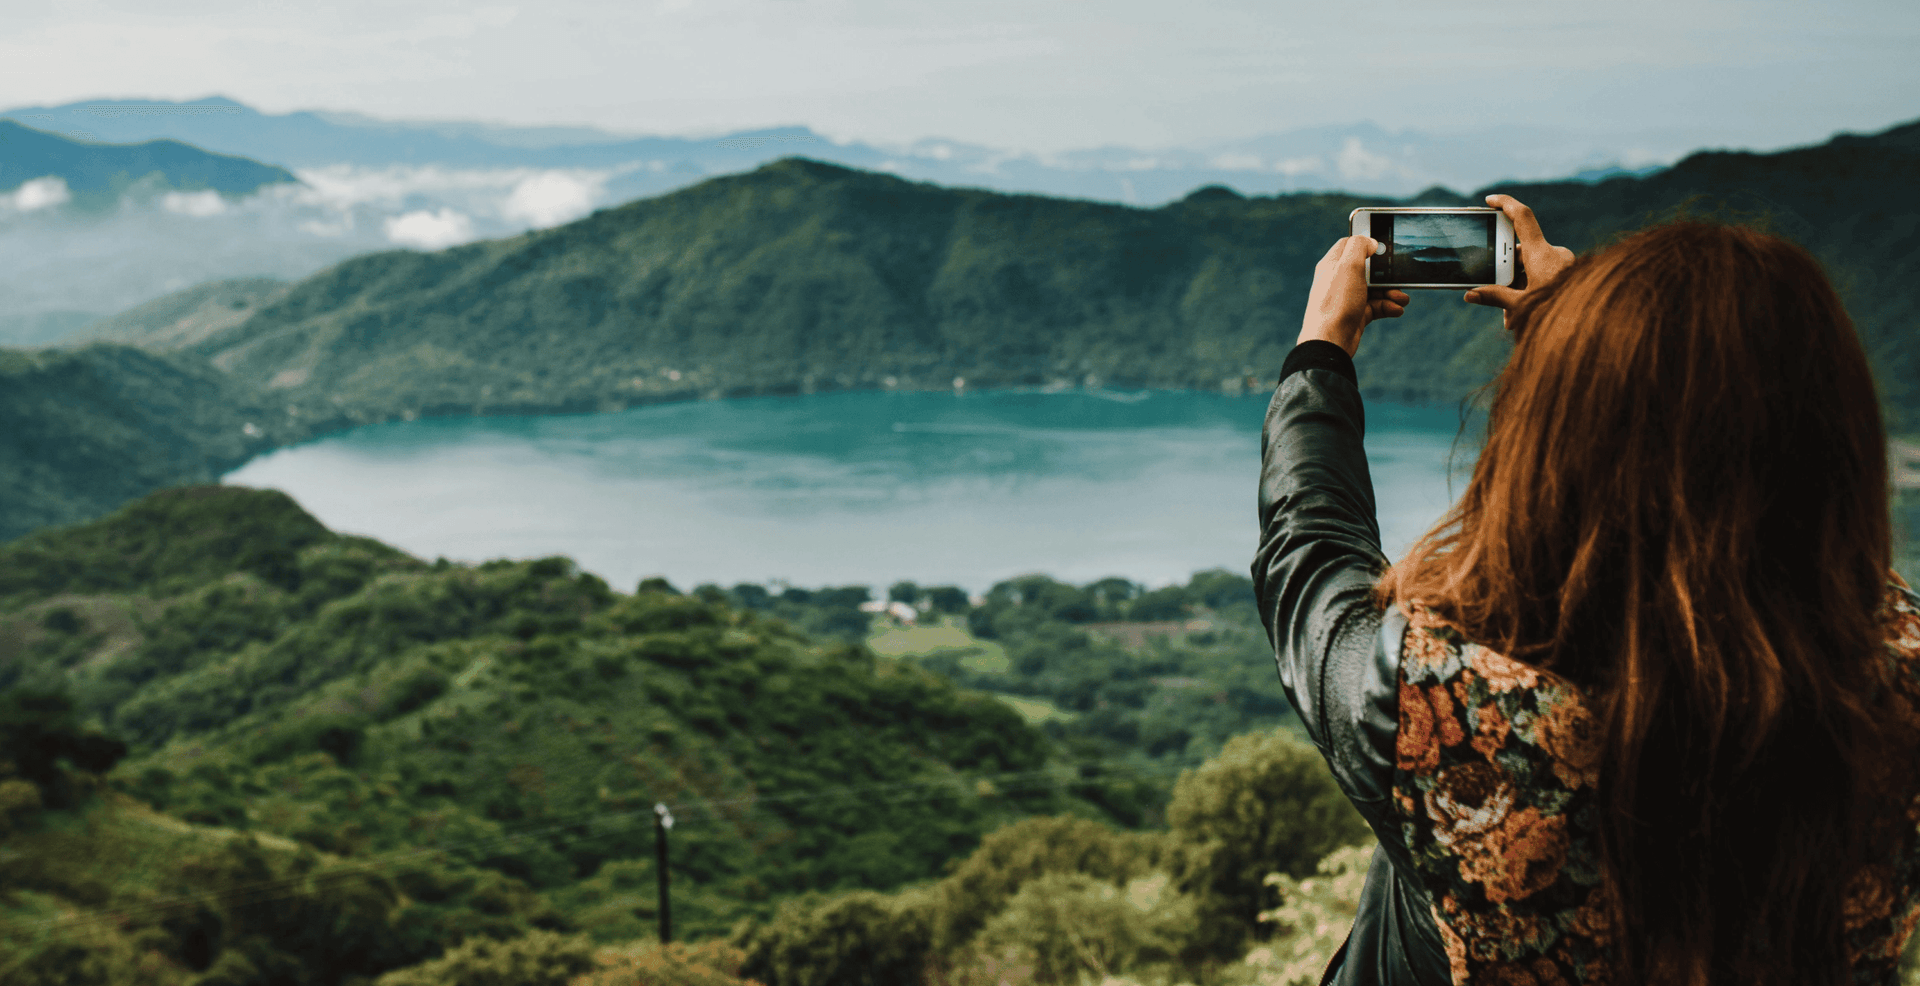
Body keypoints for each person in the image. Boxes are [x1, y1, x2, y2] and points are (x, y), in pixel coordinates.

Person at [1252, 194, 1920, 985]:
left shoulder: (1442, 709)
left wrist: (1321, 351)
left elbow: (1311, 552)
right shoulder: (1897, 693)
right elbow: (1769, 515)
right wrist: (1576, 332)